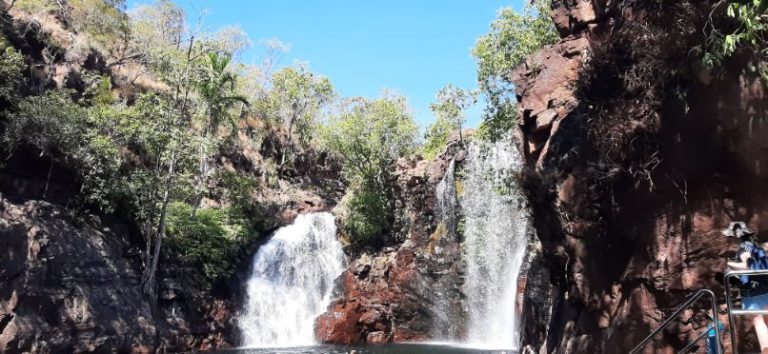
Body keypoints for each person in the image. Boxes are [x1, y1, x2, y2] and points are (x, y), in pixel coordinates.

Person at [725, 221, 768, 352]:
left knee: (758, 320)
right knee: (766, 320)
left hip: (754, 291)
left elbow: (749, 266)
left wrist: (731, 265)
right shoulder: (755, 247)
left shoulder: (744, 248)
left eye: (730, 237)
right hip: (764, 288)